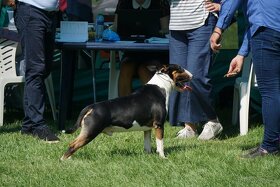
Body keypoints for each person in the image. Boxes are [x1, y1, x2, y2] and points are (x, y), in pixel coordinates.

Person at [210, 0, 280, 158]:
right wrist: (242, 54)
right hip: (268, 28)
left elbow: (233, 3)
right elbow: (256, 21)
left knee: (270, 91)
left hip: (266, 32)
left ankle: (269, 146)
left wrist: (218, 30)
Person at [168, 0, 223, 140]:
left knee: (196, 75)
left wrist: (222, 6)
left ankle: (212, 120)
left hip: (202, 22)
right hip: (176, 23)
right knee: (179, 77)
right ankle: (189, 127)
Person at [14, 0, 66, 142]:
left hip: (51, 14)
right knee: (36, 69)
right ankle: (38, 125)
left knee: (44, 70)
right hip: (31, 12)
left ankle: (28, 125)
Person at [110, 0, 170, 97]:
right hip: (132, 52)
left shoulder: (161, 2)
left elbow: (166, 29)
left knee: (144, 69)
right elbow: (117, 27)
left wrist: (154, 32)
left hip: (156, 52)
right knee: (126, 67)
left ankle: (154, 109)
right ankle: (125, 109)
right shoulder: (123, 2)